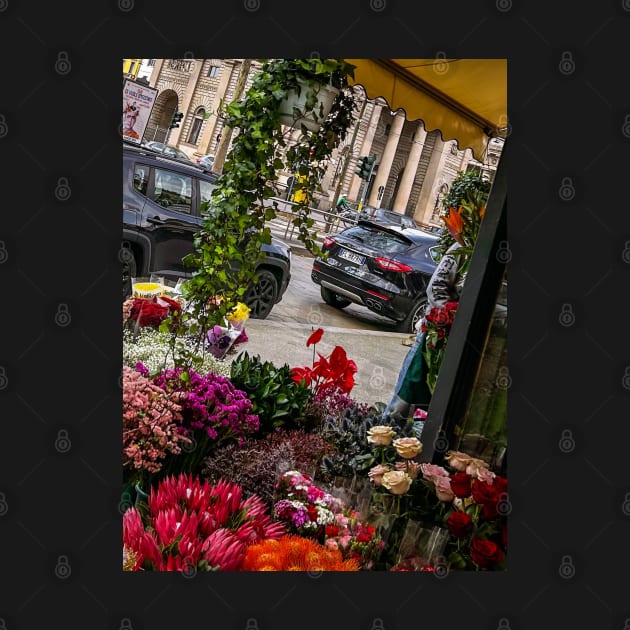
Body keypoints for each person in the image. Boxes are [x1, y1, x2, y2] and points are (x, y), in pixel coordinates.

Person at [381, 211, 471, 432]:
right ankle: (381, 442)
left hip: (462, 347)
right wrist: (451, 316)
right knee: (405, 398)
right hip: (434, 339)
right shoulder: (463, 249)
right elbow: (436, 288)